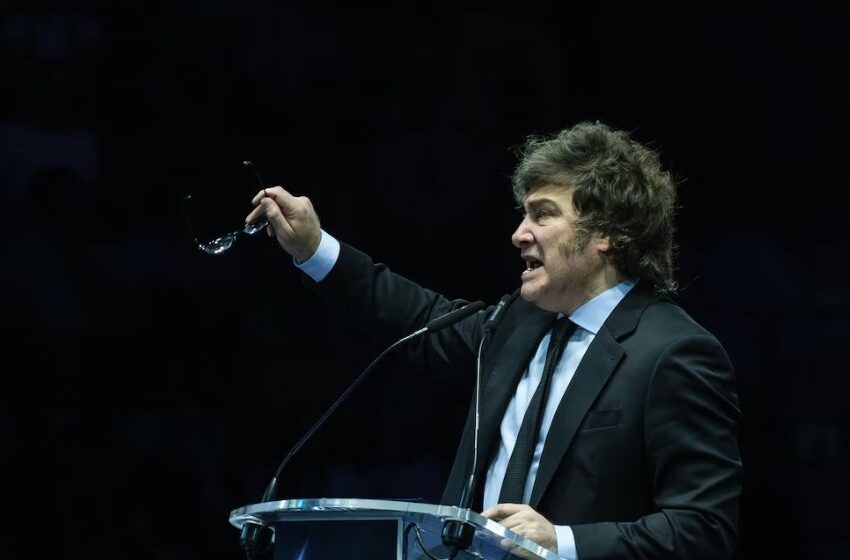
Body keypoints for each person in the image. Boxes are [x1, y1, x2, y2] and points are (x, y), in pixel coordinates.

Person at [244, 121, 742, 559]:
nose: (519, 234)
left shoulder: (673, 353)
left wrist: (561, 542)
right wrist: (313, 248)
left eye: (543, 214)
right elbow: (417, 318)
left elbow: (704, 529)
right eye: (523, 215)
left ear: (606, 233)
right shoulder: (518, 323)